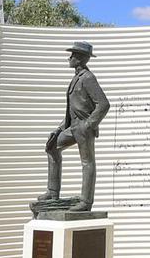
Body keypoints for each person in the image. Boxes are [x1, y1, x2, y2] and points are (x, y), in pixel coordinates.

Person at [36, 41, 110, 212]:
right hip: (73, 127)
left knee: (87, 162)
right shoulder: (76, 78)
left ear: (81, 58)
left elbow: (104, 104)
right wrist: (59, 129)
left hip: (83, 128)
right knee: (52, 147)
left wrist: (89, 124)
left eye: (73, 55)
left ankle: (86, 201)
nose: (69, 58)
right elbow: (72, 110)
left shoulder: (88, 78)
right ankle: (53, 192)